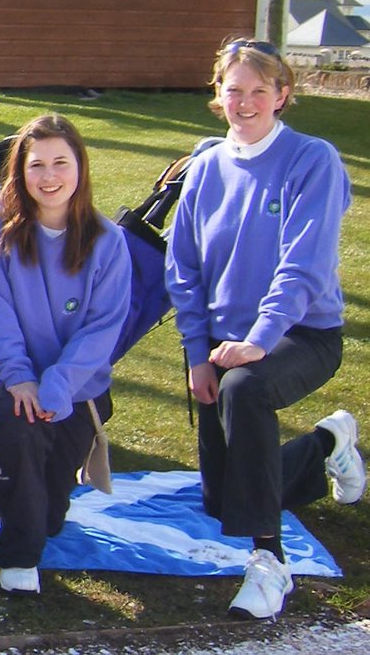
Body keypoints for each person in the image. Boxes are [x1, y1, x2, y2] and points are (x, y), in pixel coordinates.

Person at [165, 38, 363, 620]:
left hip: (302, 334)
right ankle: (328, 443)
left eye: (259, 91)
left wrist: (261, 338)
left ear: (282, 95)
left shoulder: (313, 160)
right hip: (222, 345)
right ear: (218, 94)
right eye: (234, 91)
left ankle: (270, 561)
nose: (245, 103)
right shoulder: (205, 167)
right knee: (225, 500)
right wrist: (196, 354)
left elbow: (303, 266)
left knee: (246, 388)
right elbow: (183, 270)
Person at [0, 114, 130, 595]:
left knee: (49, 516)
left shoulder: (107, 241)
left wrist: (56, 385)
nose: (49, 177)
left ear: (80, 167)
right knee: (21, 423)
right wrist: (21, 377)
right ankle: (18, 558)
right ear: (20, 172)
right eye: (37, 165)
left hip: (75, 387)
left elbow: (101, 330)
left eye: (60, 163)